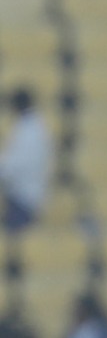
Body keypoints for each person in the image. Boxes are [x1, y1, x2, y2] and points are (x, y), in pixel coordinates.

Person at [0, 87, 53, 260]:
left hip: (25, 198)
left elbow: (14, 166)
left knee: (12, 244)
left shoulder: (30, 131)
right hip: (24, 195)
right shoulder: (32, 127)